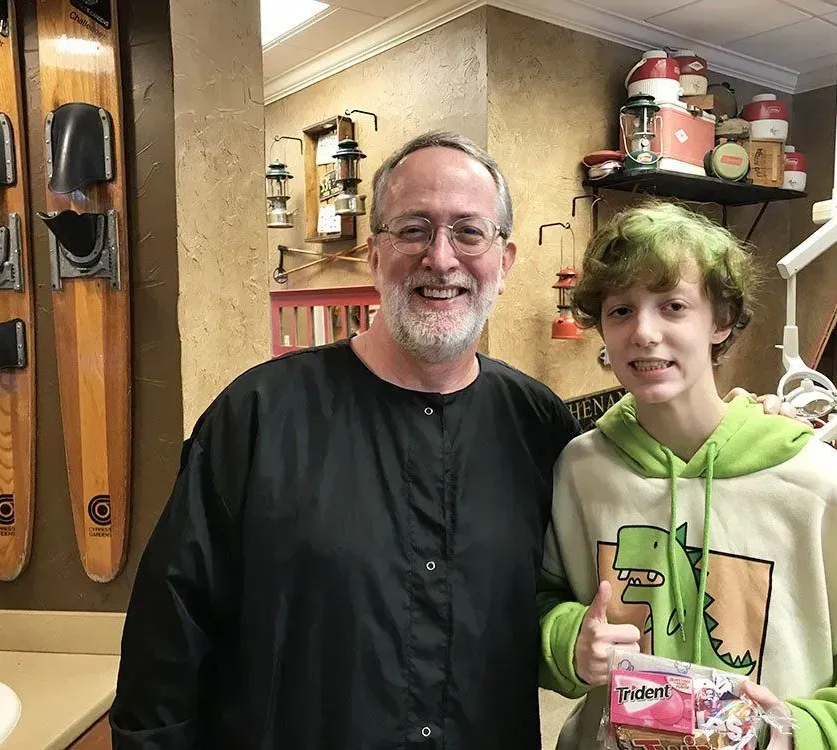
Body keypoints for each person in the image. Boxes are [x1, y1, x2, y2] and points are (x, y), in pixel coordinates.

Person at [109, 133, 794, 749]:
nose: (440, 258)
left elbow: (611, 541)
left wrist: (739, 427)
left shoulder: (539, 426)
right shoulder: (258, 417)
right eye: (414, 229)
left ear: (505, 259)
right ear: (375, 253)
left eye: (469, 232)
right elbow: (167, 640)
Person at [537, 201, 837, 750]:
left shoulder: (813, 482)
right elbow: (536, 603)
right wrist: (569, 642)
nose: (643, 332)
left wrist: (798, 733)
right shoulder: (581, 469)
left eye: (673, 306)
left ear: (720, 321)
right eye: (621, 310)